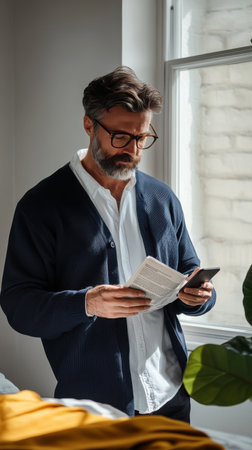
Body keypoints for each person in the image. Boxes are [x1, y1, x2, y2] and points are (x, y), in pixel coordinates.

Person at [0, 66, 216, 422]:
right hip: (95, 406)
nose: (132, 149)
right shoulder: (41, 206)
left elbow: (191, 272)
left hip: (171, 396)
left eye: (142, 137)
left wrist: (199, 296)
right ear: (89, 125)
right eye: (120, 136)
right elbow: (19, 306)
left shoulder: (162, 199)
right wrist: (87, 303)